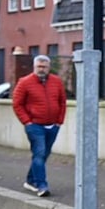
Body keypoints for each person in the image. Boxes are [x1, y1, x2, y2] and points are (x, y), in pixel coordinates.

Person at [12, 55, 66, 198]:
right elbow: (17, 104)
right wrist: (27, 121)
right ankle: (41, 185)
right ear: (34, 67)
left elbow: (62, 102)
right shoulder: (24, 82)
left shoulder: (56, 82)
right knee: (40, 152)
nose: (41, 69)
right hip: (35, 125)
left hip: (52, 125)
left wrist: (59, 121)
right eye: (39, 67)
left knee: (43, 154)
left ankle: (30, 180)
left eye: (44, 67)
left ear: (48, 67)